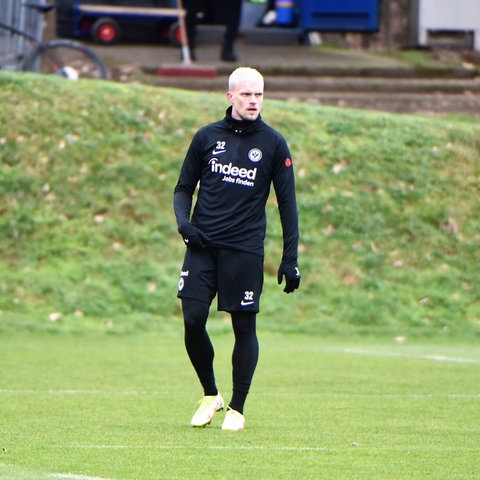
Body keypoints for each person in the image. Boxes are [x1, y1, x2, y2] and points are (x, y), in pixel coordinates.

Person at [173, 66, 301, 431]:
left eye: (259, 94)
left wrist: (289, 258)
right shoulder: (206, 137)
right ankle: (211, 394)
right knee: (193, 320)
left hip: (244, 250)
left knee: (244, 327)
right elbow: (183, 189)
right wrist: (185, 225)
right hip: (202, 246)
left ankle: (238, 408)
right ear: (230, 97)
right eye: (246, 94)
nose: (253, 101)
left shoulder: (274, 144)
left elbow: (288, 203)